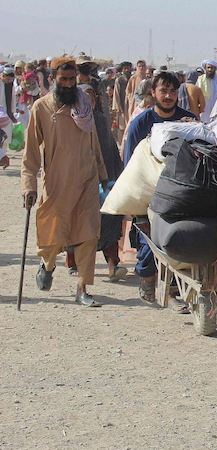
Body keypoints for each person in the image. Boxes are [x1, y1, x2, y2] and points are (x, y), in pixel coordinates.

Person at [21, 58, 109, 307]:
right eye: (64, 80)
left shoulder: (84, 106)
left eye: (72, 80)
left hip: (87, 180)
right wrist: (29, 185)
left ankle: (82, 288)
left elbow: (94, 145)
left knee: (88, 233)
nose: (70, 84)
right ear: (53, 79)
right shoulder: (41, 108)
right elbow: (30, 155)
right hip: (57, 183)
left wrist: (103, 177)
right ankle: (47, 264)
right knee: (52, 235)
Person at [123, 71, 196, 311]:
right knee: (150, 240)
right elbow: (130, 163)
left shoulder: (189, 121)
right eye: (163, 91)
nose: (168, 96)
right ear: (152, 93)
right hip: (149, 192)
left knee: (178, 241)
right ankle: (148, 278)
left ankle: (172, 293)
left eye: (173, 91)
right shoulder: (140, 123)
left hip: (180, 193)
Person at [65, 84, 127, 281]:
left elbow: (110, 151)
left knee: (109, 220)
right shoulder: (68, 122)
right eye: (83, 97)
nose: (87, 102)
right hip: (76, 182)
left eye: (90, 98)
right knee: (76, 221)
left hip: (103, 181)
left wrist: (116, 176)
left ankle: (112, 264)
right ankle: (73, 262)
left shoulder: (100, 121)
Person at [1, 66, 19, 158]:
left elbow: (12, 100)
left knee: (5, 138)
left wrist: (12, 113)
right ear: (2, 76)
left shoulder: (10, 85)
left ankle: (2, 156)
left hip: (6, 115)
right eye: (7, 79)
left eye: (10, 80)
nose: (9, 81)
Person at [111, 61, 132, 145]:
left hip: (131, 106)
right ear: (122, 70)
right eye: (125, 68)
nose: (126, 70)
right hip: (122, 107)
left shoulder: (133, 79)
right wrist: (117, 107)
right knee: (122, 128)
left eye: (128, 68)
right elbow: (116, 94)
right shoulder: (119, 80)